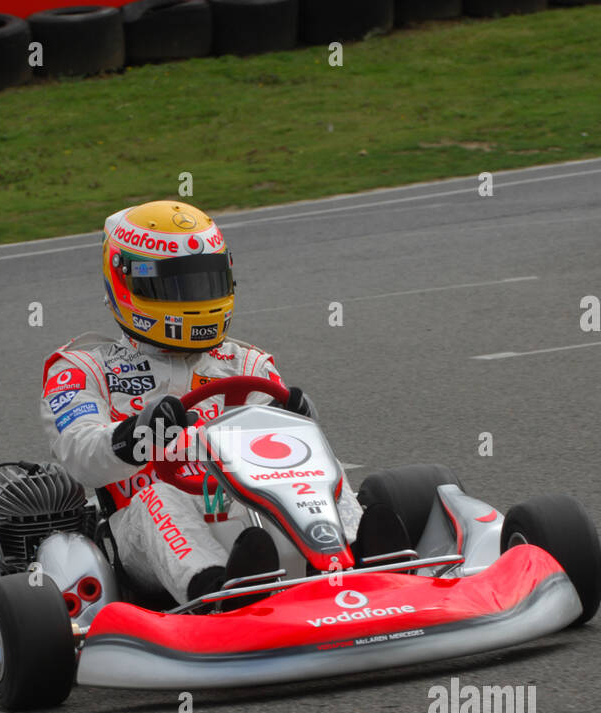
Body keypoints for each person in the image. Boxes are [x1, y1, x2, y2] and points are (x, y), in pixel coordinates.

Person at [39, 200, 392, 606]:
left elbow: (288, 454)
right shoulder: (82, 368)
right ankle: (217, 594)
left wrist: (299, 419)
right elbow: (80, 454)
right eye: (174, 286)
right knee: (159, 496)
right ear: (127, 282)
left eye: (206, 283)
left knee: (316, 469)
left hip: (254, 508)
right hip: (141, 533)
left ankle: (370, 561)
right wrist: (136, 435)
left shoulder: (248, 362)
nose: (194, 298)